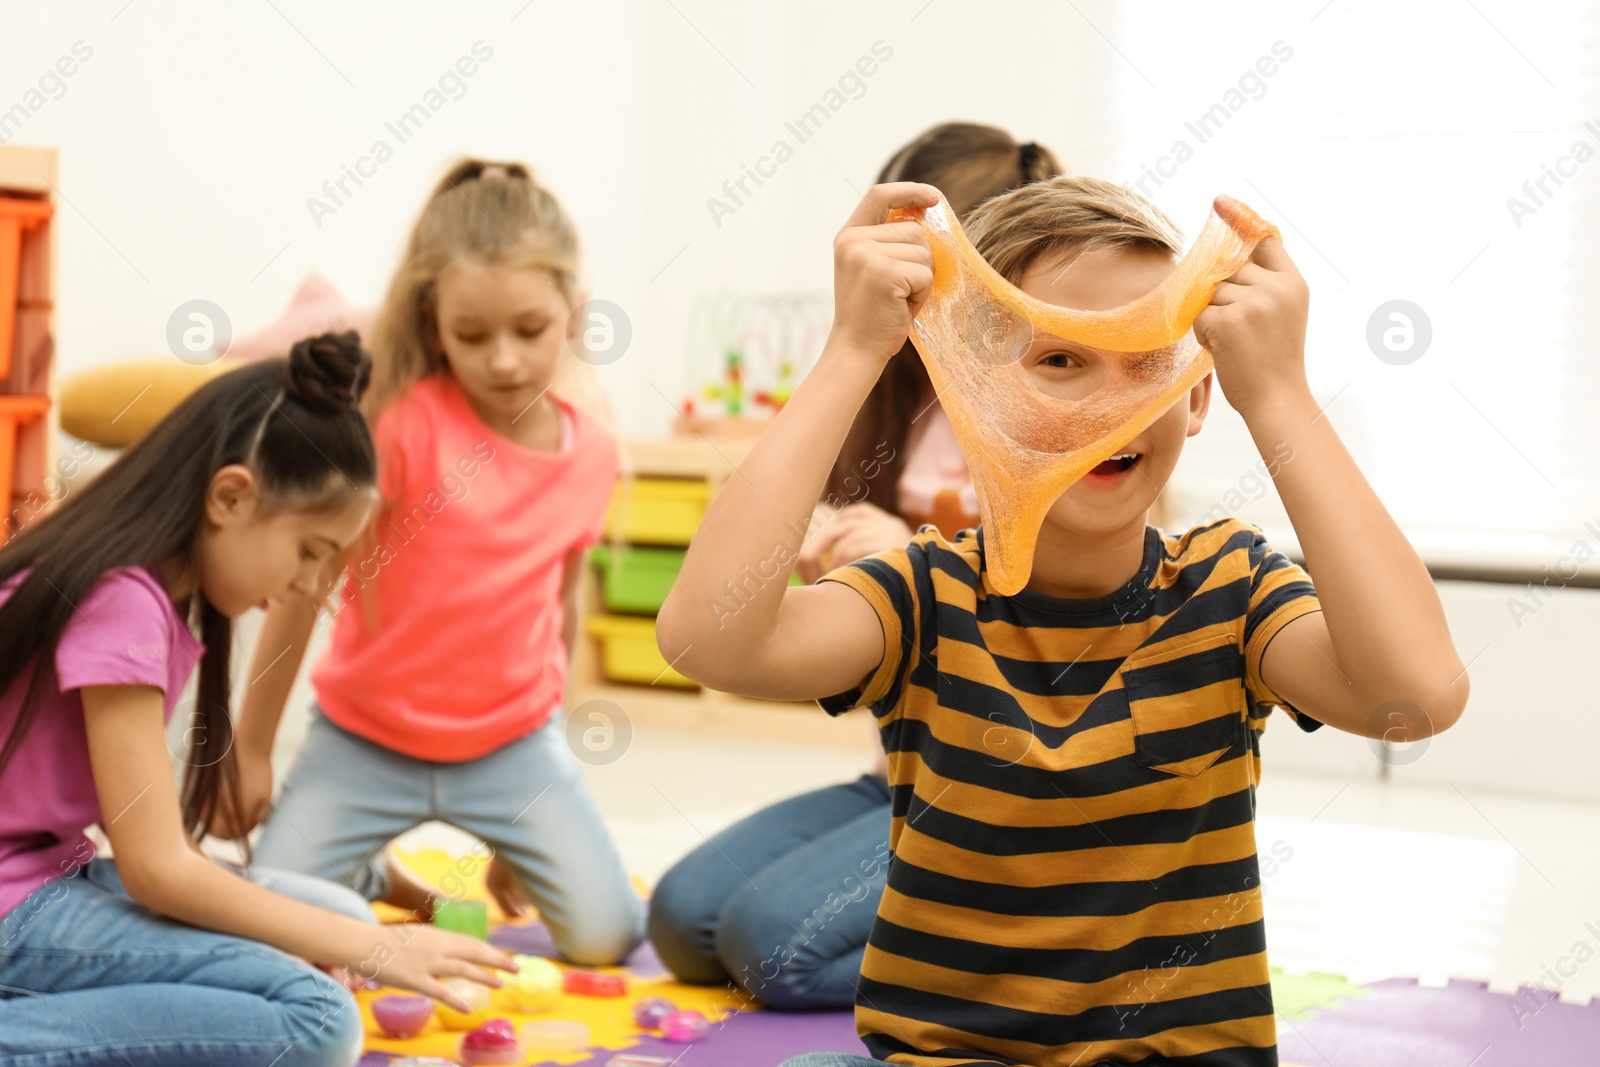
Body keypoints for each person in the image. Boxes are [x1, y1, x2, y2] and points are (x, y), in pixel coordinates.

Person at [656, 178, 1469, 1065]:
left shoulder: (1232, 587)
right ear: (968, 389)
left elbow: (1416, 698)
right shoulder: (922, 597)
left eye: (1147, 359)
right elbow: (709, 639)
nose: (1107, 402)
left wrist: (1279, 395)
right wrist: (851, 352)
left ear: (1197, 398)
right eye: (1059, 361)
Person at [0, 333, 514, 1067]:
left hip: (45, 876)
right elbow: (156, 868)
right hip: (16, 907)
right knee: (316, 1019)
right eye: (309, 550)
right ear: (231, 495)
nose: (311, 585)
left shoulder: (144, 584)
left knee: (334, 913)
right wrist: (374, 946)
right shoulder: (121, 600)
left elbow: (148, 850)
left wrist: (344, 936)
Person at [647, 123, 1067, 1012]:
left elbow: (1068, 621)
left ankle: (1050, 943)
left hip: (1013, 793)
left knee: (773, 948)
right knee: (685, 921)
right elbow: (720, 621)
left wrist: (915, 562)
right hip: (904, 774)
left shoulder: (1052, 409)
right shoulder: (893, 390)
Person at [230, 160, 644, 968]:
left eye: (530, 329)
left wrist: (524, 823)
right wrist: (249, 748)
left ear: (574, 311)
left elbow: (557, 617)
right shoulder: (401, 425)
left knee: (606, 937)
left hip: (513, 746)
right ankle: (373, 864)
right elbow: (301, 591)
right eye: (471, 334)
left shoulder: (592, 453)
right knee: (270, 937)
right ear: (432, 319)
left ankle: (379, 858)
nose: (503, 359)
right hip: (362, 739)